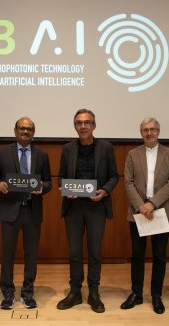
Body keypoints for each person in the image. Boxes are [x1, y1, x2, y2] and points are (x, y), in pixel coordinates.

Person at [56, 109, 119, 313]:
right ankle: (75, 292)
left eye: (87, 122)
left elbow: (114, 176)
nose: (83, 126)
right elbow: (61, 176)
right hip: (73, 207)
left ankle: (93, 292)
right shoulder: (67, 149)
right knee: (74, 252)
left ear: (94, 125)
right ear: (75, 126)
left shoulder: (106, 148)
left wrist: (105, 191)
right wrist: (65, 189)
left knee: (94, 252)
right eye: (79, 123)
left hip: (96, 206)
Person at [0, 117, 52, 310]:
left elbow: (48, 182)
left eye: (29, 129)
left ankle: (27, 293)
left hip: (32, 210)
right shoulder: (2, 153)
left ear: (34, 132)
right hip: (9, 211)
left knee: (31, 255)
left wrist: (43, 187)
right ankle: (7, 293)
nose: (25, 131)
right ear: (15, 131)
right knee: (7, 254)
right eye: (22, 128)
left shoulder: (42, 155)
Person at [121, 117, 169, 314]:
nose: (149, 133)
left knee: (159, 256)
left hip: (161, 211)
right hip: (138, 212)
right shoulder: (132, 154)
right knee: (137, 255)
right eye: (145, 130)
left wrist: (152, 204)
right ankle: (136, 293)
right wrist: (141, 205)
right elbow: (127, 182)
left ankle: (156, 295)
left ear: (159, 131)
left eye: (153, 129)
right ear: (141, 133)